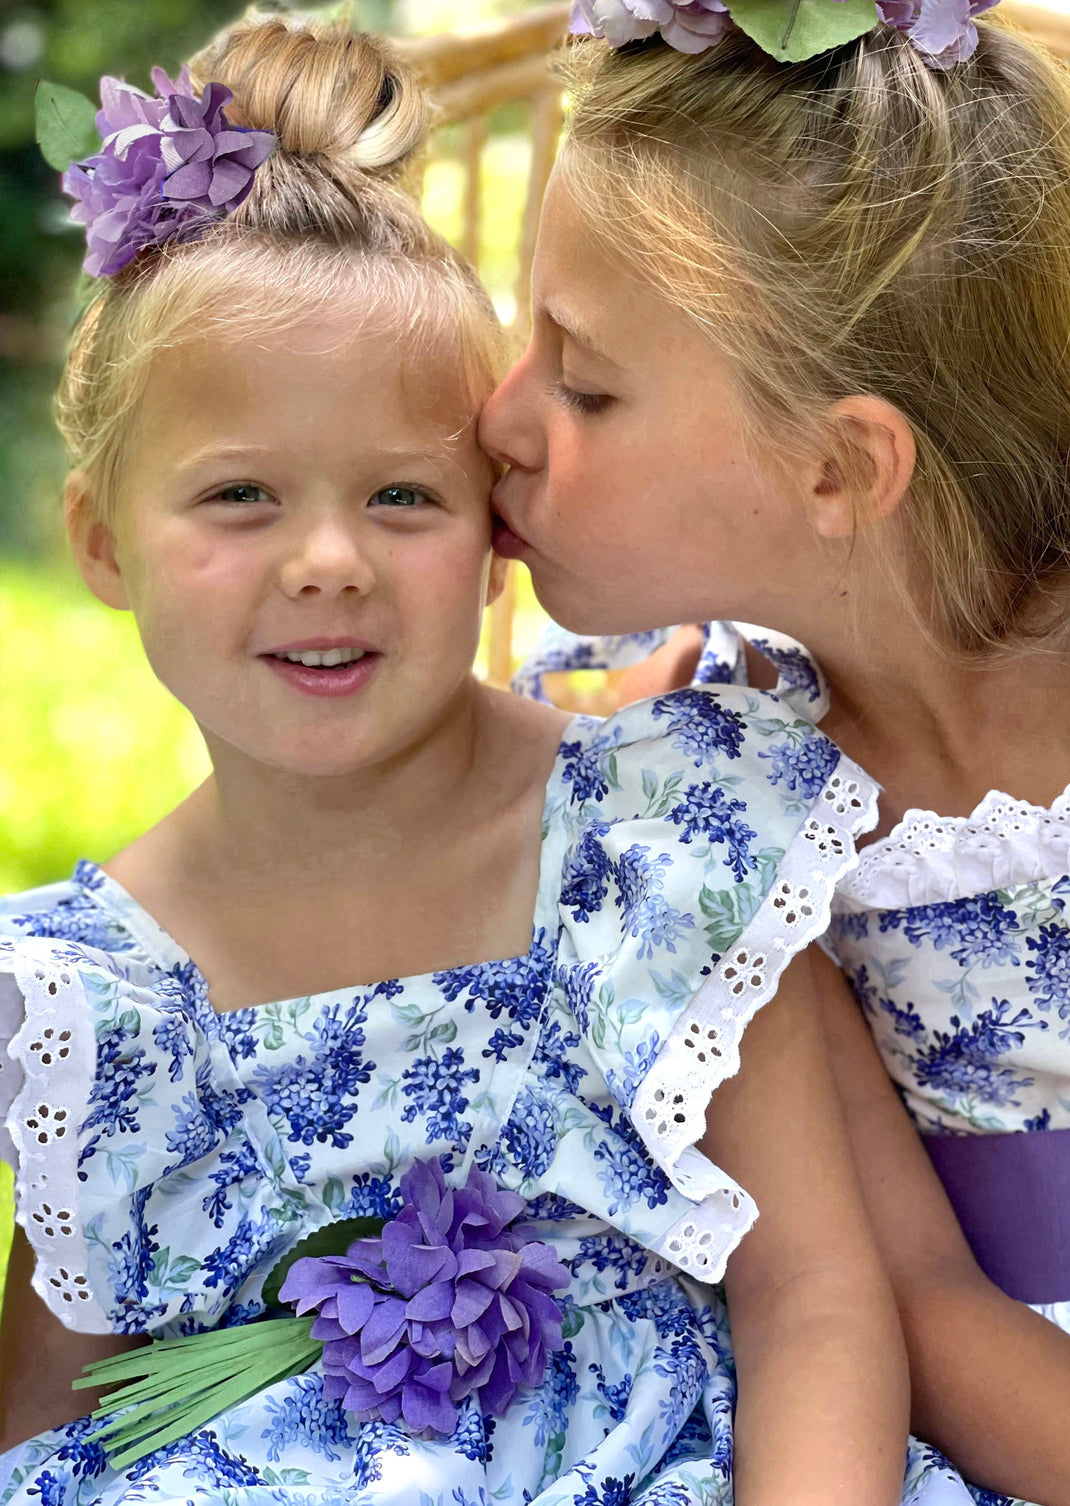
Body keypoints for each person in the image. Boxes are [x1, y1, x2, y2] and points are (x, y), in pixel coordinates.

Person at [0, 12, 939, 1505]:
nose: (327, 562)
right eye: (239, 495)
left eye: (401, 495)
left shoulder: (648, 839)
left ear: (497, 534)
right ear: (103, 541)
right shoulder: (92, 999)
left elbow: (814, 1296)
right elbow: (59, 1427)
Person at [479, 4, 1070, 1504]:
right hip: (976, 1425)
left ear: (841, 466)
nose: (499, 417)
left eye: (584, 381)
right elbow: (910, 1290)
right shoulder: (725, 771)